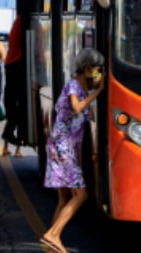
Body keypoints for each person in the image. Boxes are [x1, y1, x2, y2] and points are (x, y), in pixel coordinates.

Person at [40, 48, 105, 253]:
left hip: (61, 146)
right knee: (81, 195)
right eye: (98, 69)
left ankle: (51, 241)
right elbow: (76, 108)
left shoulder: (79, 87)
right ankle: (52, 235)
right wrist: (99, 91)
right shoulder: (74, 86)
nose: (99, 74)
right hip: (63, 147)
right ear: (87, 69)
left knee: (64, 197)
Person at [1, 15, 25, 158]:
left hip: (11, 66)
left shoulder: (17, 22)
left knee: (12, 113)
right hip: (18, 66)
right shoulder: (26, 22)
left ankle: (7, 146)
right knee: (21, 113)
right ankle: (17, 149)